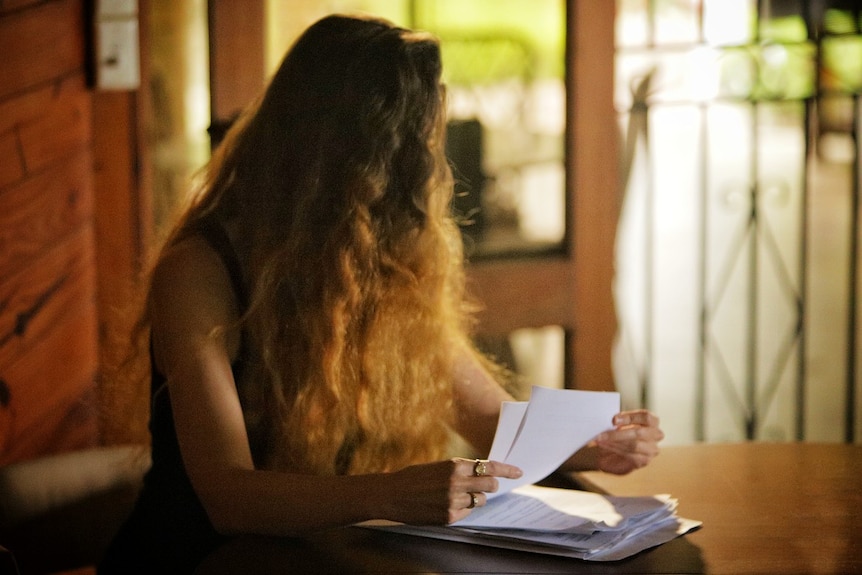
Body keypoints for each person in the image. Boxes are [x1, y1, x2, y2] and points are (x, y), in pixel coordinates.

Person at [99, 13, 663, 574]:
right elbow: (230, 498)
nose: (429, 170)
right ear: (345, 158)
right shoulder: (200, 269)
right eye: (414, 149)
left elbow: (490, 420)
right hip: (200, 561)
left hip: (324, 556)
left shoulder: (385, 251)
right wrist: (387, 495)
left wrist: (588, 442)